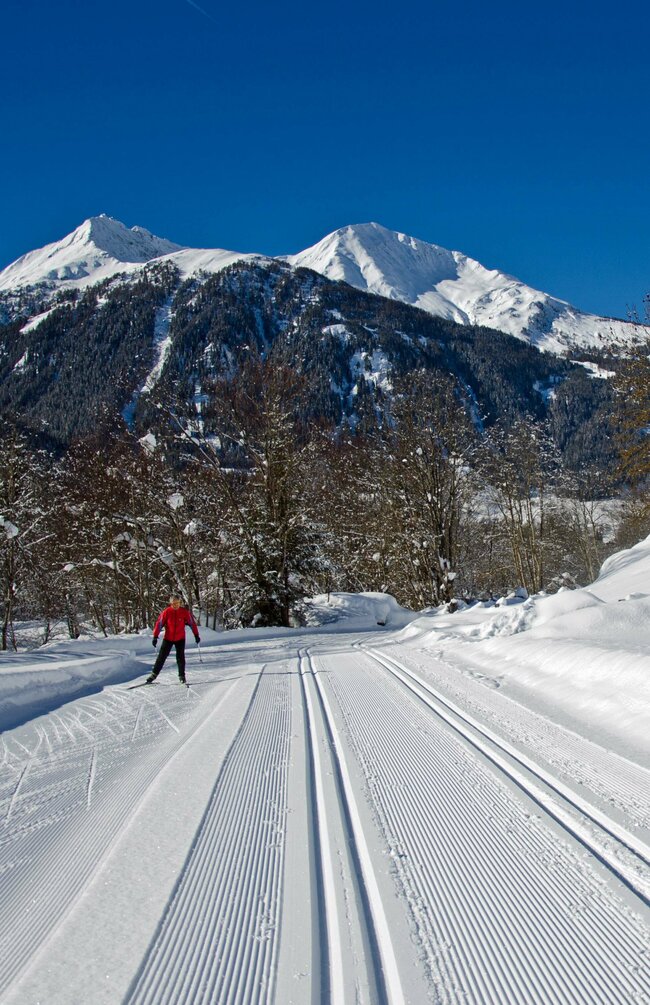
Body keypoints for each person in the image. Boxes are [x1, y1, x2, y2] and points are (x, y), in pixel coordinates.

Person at [147, 595, 200, 684]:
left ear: (180, 603)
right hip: (168, 638)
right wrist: (155, 636)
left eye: (177, 603)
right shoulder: (167, 612)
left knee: (180, 658)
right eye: (173, 603)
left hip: (180, 638)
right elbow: (159, 624)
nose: (175, 605)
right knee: (161, 657)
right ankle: (154, 674)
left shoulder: (184, 612)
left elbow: (192, 624)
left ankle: (182, 676)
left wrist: (196, 635)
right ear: (171, 603)